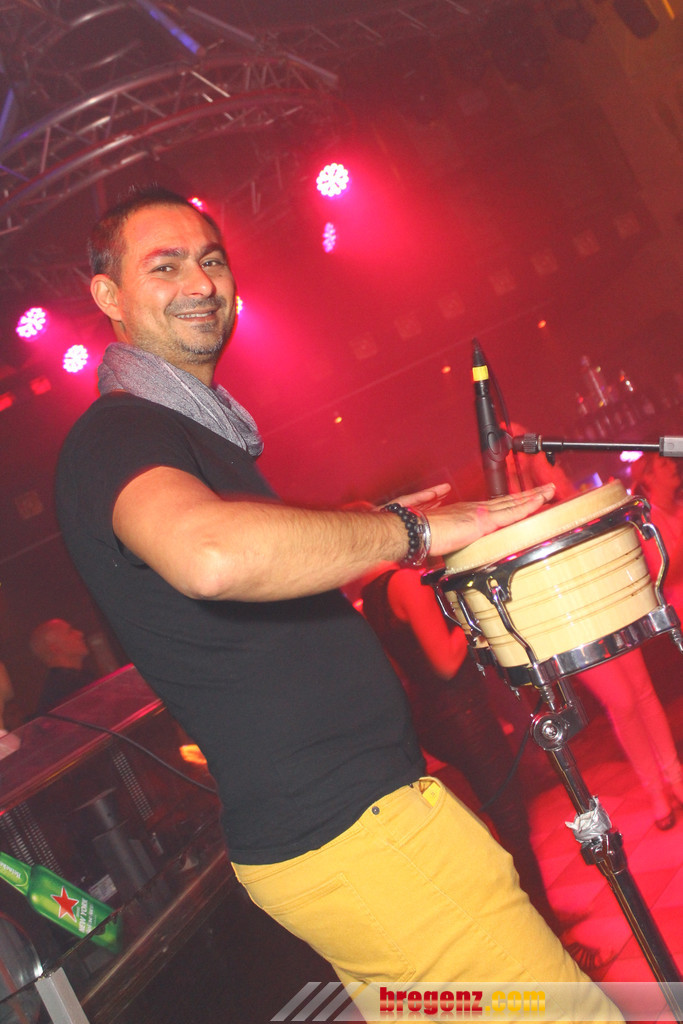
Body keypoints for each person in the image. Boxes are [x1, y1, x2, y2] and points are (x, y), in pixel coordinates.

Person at [54, 185, 620, 1020]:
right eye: (164, 267)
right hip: (359, 834)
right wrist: (411, 532)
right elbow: (211, 556)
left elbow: (251, 587)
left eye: (211, 261)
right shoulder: (120, 432)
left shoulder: (189, 433)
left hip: (351, 834)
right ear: (109, 296)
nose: (201, 284)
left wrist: (363, 532)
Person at [359, 565, 598, 950]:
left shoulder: (373, 593)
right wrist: (476, 614)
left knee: (504, 825)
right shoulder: (407, 582)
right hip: (462, 715)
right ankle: (550, 939)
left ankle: (541, 918)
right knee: (513, 824)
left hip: (437, 716)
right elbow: (445, 662)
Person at [506, 431, 683, 830]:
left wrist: (543, 468)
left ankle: (674, 779)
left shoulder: (560, 492)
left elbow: (583, 516)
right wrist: (522, 472)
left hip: (605, 600)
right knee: (622, 701)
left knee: (642, 692)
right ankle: (656, 789)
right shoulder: (514, 508)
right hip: (567, 621)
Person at [30, 619, 96, 715]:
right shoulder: (64, 689)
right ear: (55, 648)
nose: (80, 634)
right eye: (70, 632)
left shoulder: (73, 680)